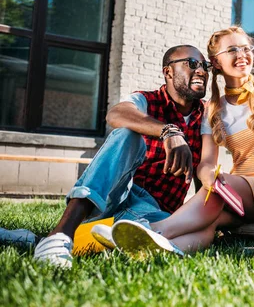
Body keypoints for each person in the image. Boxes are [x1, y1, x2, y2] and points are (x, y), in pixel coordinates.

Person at [110, 27, 254, 255]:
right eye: (232, 50)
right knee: (211, 220)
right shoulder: (213, 110)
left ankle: (154, 230)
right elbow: (207, 162)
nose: (242, 55)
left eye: (246, 48)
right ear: (216, 63)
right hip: (235, 193)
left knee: (222, 188)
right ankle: (157, 250)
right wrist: (209, 176)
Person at [33, 45, 209, 268]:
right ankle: (60, 236)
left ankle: (37, 239)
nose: (202, 70)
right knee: (127, 134)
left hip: (154, 211)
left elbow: (204, 175)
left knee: (160, 231)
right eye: (192, 63)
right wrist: (169, 131)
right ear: (168, 72)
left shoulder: (206, 116)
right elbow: (116, 114)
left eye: (205, 66)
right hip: (116, 194)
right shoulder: (146, 100)